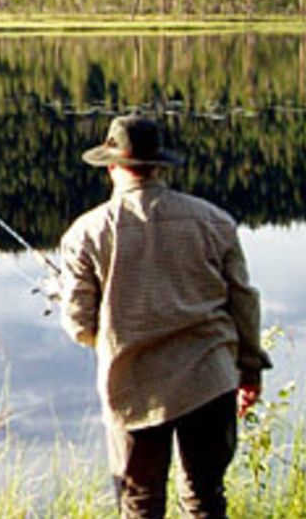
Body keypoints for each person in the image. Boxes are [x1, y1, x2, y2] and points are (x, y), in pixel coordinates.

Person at [59, 114, 271, 519]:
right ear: (159, 165)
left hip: (132, 387)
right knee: (206, 498)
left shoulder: (86, 234)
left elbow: (80, 326)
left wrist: (108, 325)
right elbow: (243, 300)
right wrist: (250, 369)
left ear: (110, 165)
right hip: (210, 379)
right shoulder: (214, 221)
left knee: (140, 504)